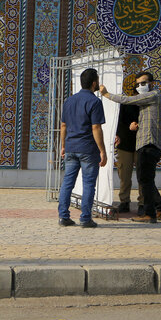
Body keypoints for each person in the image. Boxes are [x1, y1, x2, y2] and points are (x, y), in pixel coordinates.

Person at [100, 71, 161, 223]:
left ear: (152, 83)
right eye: (138, 84)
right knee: (146, 179)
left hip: (149, 144)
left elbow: (127, 100)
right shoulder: (147, 102)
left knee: (145, 180)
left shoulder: (153, 96)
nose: (140, 86)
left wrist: (106, 94)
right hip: (143, 144)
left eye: (143, 83)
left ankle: (149, 214)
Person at [58, 68, 107, 228]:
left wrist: (63, 146)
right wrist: (103, 151)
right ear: (94, 83)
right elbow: (96, 128)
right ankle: (85, 218)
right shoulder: (95, 102)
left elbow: (63, 125)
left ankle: (63, 216)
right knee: (88, 184)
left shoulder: (69, 101)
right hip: (88, 149)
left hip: (71, 147)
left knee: (67, 183)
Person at [114, 82, 143, 214]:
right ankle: (124, 201)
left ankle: (143, 203)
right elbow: (117, 123)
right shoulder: (125, 105)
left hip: (141, 144)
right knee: (124, 176)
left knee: (143, 176)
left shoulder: (149, 106)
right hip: (125, 145)